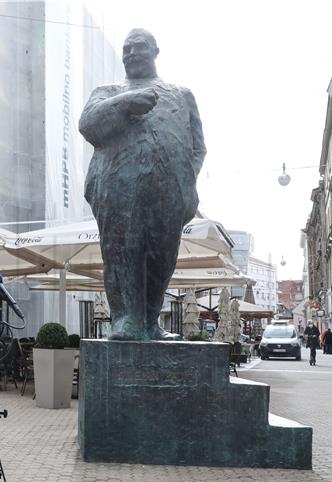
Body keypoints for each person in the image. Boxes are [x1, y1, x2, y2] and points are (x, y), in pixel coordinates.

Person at [79, 28, 206, 340]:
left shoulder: (181, 94)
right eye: (127, 49)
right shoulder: (107, 92)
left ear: (155, 51)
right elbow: (88, 125)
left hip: (169, 192)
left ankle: (150, 322)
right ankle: (126, 321)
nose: (131, 54)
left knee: (163, 257)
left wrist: (186, 185)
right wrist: (125, 103)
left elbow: (198, 147)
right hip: (118, 189)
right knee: (123, 252)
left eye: (138, 47)